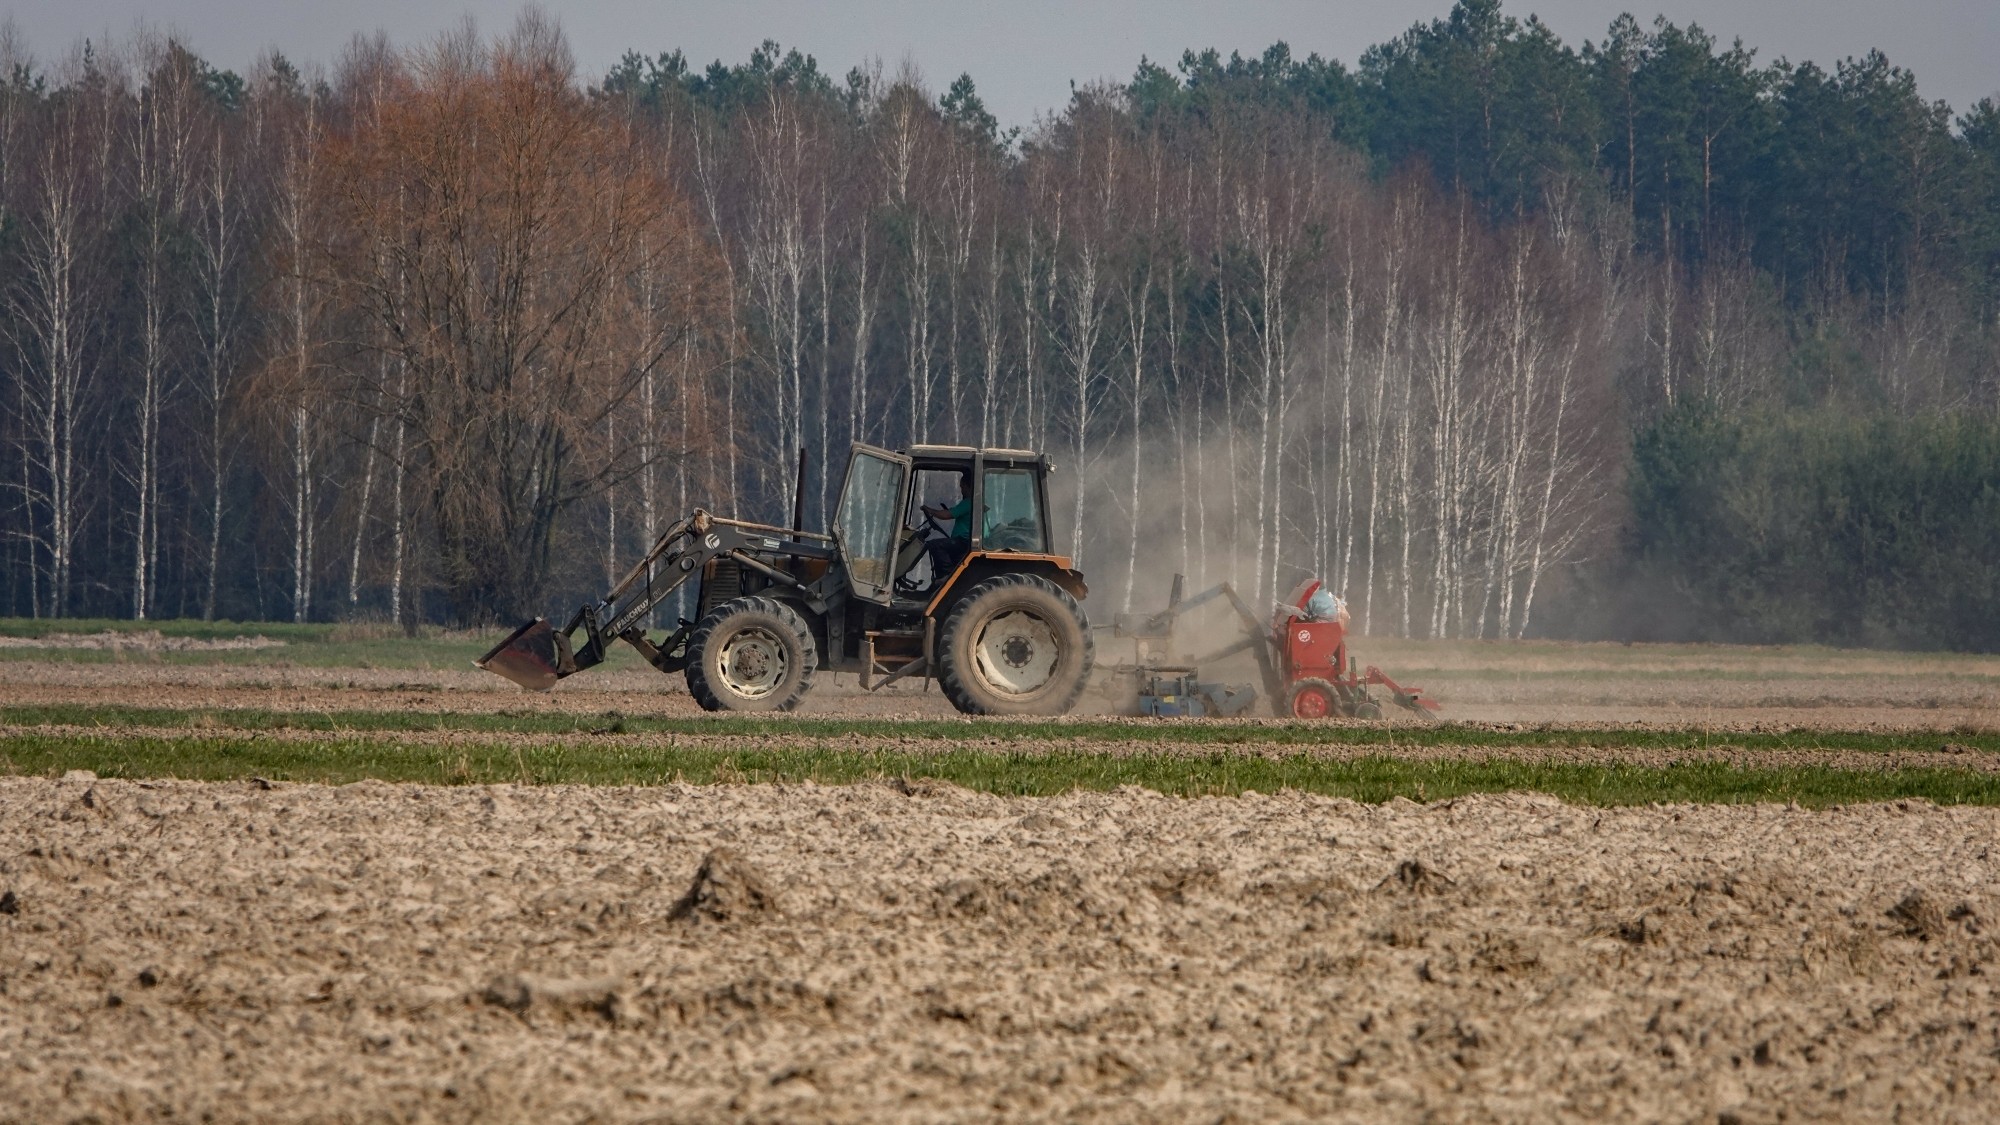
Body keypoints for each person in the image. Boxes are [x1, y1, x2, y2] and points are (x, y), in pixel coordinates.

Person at [918, 472, 974, 586]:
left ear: (968, 486)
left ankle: (947, 577)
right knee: (943, 545)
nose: (961, 490)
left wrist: (928, 509)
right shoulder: (971, 503)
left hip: (965, 541)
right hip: (965, 540)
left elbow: (946, 515)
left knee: (935, 545)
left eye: (962, 487)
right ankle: (937, 583)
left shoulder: (969, 502)